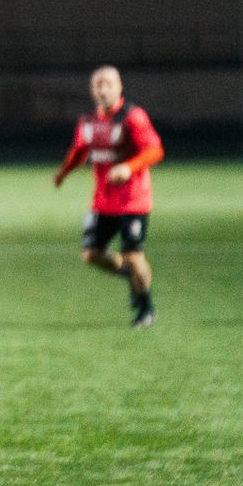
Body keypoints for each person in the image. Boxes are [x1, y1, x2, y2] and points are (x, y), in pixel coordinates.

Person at [54, 65, 162, 328]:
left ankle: (146, 307)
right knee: (90, 254)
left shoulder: (133, 117)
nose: (103, 90)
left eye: (108, 84)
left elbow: (155, 151)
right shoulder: (88, 123)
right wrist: (63, 173)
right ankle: (131, 276)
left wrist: (128, 167)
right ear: (92, 90)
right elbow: (79, 151)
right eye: (98, 85)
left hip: (133, 201)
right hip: (103, 203)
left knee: (134, 255)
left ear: (119, 87)